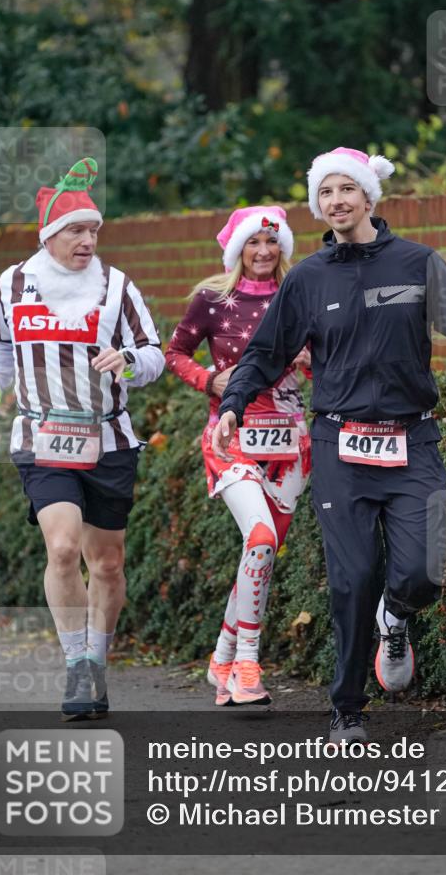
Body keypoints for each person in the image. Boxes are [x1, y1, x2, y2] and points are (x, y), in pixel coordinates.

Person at [213, 147, 446, 743]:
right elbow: (265, 353)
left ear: (369, 197)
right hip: (340, 443)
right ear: (319, 204)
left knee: (427, 565)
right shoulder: (308, 280)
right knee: (351, 577)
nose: (336, 201)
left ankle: (396, 616)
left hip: (412, 439)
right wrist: (234, 403)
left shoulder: (418, 263)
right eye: (325, 193)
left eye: (347, 189)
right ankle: (347, 707)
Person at [0, 157, 164, 721]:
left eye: (93, 230)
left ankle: (98, 661)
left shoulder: (117, 286)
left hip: (108, 439)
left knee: (105, 563)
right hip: (41, 436)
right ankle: (77, 664)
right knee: (61, 548)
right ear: (50, 235)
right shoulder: (11, 284)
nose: (88, 240)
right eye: (76, 230)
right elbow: (0, 350)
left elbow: (154, 353)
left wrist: (127, 361)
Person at [166, 206, 311, 706]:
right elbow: (175, 353)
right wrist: (209, 379)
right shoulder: (212, 299)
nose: (265, 251)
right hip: (231, 438)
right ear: (238, 250)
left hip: (291, 443)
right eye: (254, 243)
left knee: (261, 554)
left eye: (272, 242)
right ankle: (247, 661)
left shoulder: (302, 294)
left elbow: (328, 364)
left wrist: (311, 361)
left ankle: (221, 657)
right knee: (261, 536)